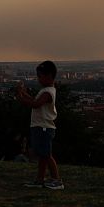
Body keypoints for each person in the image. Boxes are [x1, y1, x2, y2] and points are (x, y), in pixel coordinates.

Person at [16, 60, 64, 190]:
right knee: (43, 155)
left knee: (46, 155)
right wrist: (23, 93)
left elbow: (35, 104)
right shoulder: (46, 91)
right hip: (40, 127)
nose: (38, 79)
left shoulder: (48, 92)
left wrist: (21, 97)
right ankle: (40, 179)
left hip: (44, 127)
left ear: (48, 76)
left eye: (40, 76)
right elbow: (35, 101)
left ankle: (56, 180)